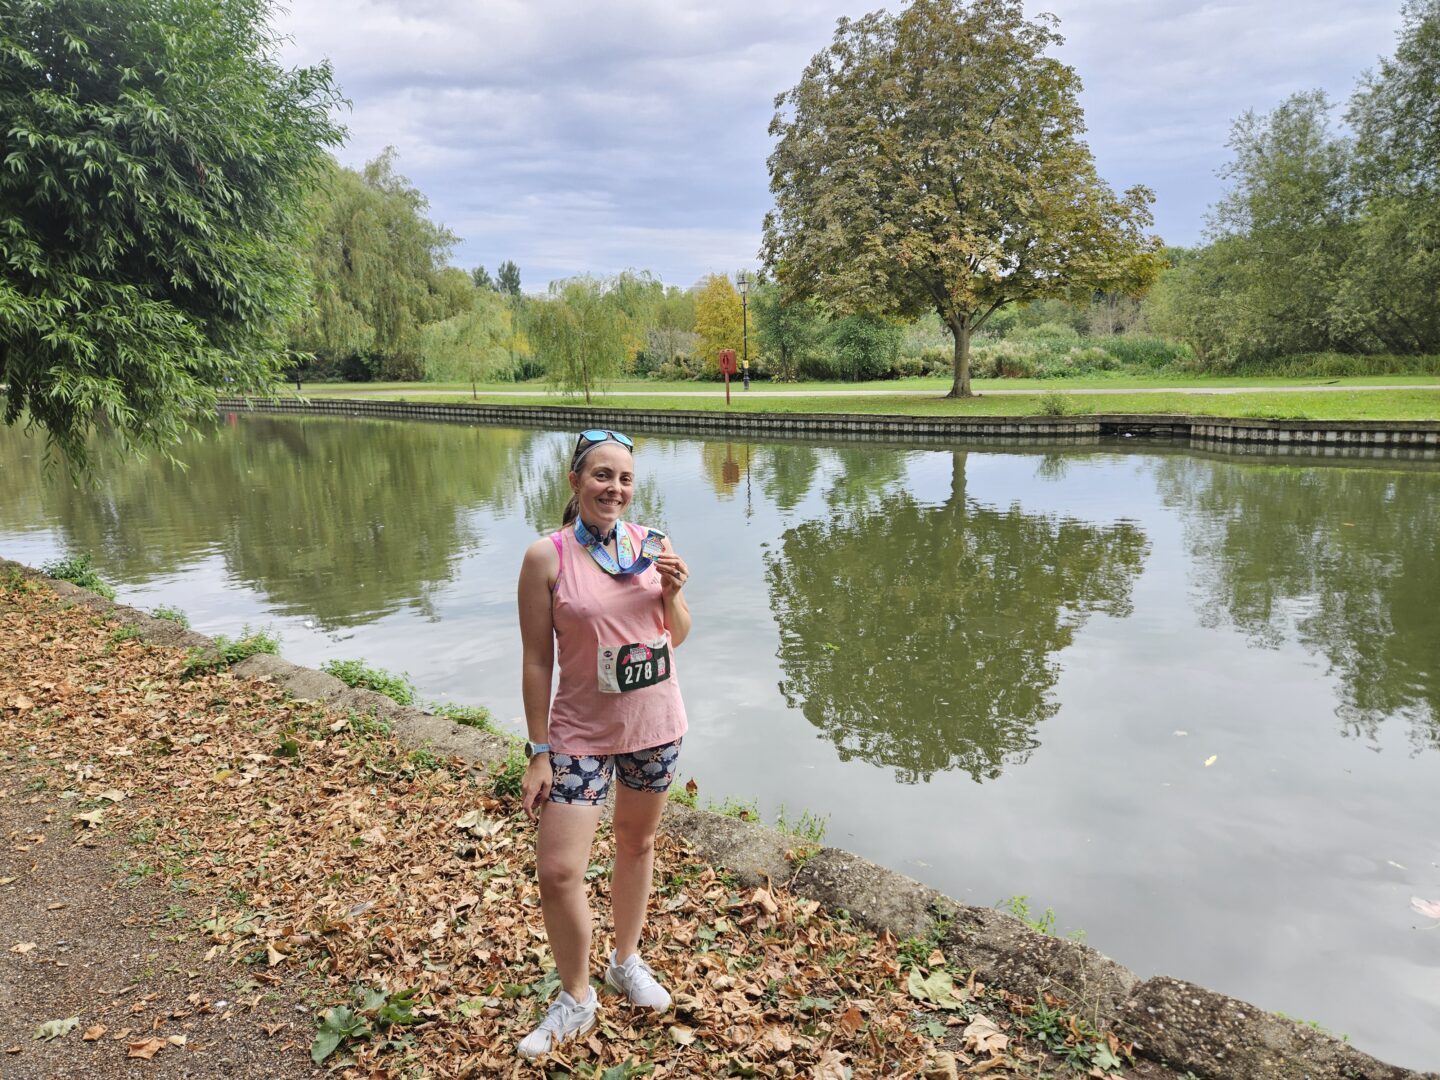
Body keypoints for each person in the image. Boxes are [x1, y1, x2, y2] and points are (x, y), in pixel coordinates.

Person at [513, 428, 692, 1059]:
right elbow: (538, 661)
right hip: (580, 733)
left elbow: (678, 633)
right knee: (560, 869)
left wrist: (671, 593)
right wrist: (539, 749)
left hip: (653, 725)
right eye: (601, 476)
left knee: (637, 843)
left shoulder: (654, 545)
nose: (613, 488)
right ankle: (576, 996)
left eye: (624, 479)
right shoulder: (548, 557)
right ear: (575, 482)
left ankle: (625, 961)